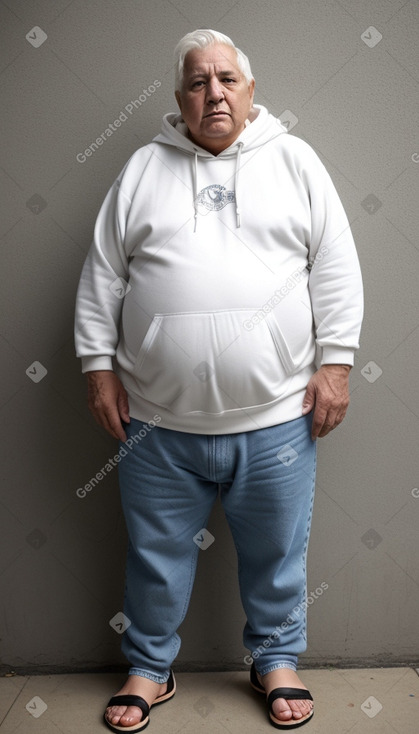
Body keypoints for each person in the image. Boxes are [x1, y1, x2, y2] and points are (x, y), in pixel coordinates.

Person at [74, 28, 363, 732]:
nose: (214, 93)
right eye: (198, 82)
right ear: (178, 99)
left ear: (250, 90)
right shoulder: (142, 168)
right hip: (156, 423)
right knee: (154, 556)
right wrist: (96, 368)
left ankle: (276, 660)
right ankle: (148, 667)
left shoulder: (294, 160)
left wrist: (336, 363)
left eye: (226, 79)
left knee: (276, 555)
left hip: (276, 419)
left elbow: (334, 267)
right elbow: (102, 274)